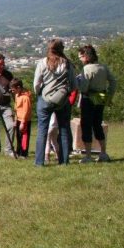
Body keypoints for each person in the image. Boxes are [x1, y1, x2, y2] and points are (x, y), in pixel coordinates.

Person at [33, 38, 76, 166]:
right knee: (63, 130)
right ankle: (64, 161)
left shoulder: (42, 63)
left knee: (42, 131)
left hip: (45, 99)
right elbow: (74, 85)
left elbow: (36, 84)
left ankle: (39, 162)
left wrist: (40, 93)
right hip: (62, 100)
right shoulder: (67, 64)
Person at [76, 44, 117, 163]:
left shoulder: (87, 69)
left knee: (86, 125)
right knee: (98, 124)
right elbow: (113, 82)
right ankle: (103, 153)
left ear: (86, 57)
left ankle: (88, 155)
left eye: (81, 57)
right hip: (101, 97)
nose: (80, 60)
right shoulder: (103, 67)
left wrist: (77, 81)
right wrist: (109, 96)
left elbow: (84, 88)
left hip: (88, 98)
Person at [10, 78, 32, 158]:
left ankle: (24, 154)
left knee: (24, 137)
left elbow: (26, 111)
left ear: (18, 88)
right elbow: (16, 109)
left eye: (13, 90)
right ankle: (18, 152)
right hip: (18, 119)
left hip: (25, 120)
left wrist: (23, 122)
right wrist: (16, 120)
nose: (12, 92)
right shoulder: (17, 95)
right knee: (18, 137)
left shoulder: (25, 98)